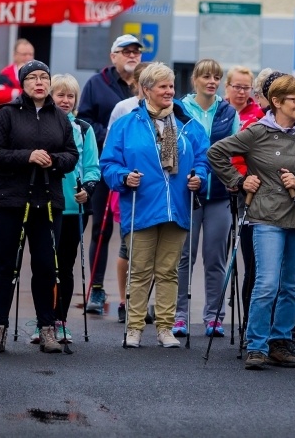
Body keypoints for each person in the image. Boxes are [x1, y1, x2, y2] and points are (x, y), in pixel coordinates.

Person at [208, 74, 295, 370]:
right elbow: (217, 153)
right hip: (266, 216)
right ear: (276, 102)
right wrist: (239, 181)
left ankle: (280, 342)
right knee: (267, 283)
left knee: (292, 285)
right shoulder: (257, 132)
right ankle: (256, 344)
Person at [101, 62, 208, 349]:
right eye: (162, 86)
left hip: (177, 207)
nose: (169, 91)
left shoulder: (189, 125)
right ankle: (134, 328)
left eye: (171, 86)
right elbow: (108, 164)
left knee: (168, 271)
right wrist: (124, 177)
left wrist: (200, 177)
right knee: (139, 271)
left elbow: (203, 159)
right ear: (146, 90)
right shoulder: (126, 124)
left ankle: (165, 328)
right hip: (141, 206)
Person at [0, 60, 78, 354]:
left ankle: (47, 329)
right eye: (32, 78)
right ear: (22, 84)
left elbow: (71, 155)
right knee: (7, 266)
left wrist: (53, 160)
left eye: (44, 77)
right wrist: (28, 156)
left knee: (45, 267)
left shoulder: (61, 118)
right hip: (12, 201)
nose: (39, 82)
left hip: (48, 202)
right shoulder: (8, 114)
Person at [32, 73, 100, 344]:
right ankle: (42, 322)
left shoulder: (84, 128)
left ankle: (59, 321)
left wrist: (88, 190)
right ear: (50, 96)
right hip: (43, 205)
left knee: (66, 266)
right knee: (44, 265)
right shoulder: (39, 125)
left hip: (74, 209)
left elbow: (94, 168)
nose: (65, 100)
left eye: (70, 95)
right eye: (60, 94)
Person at [175, 59, 239, 337]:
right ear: (195, 80)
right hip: (186, 194)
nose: (211, 81)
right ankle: (179, 316)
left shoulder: (228, 111)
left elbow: (237, 151)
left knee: (215, 258)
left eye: (216, 77)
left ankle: (214, 316)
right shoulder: (178, 108)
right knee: (183, 257)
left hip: (219, 194)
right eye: (206, 77)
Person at [79, 34, 142, 316]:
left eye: (136, 52)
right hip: (107, 164)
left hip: (139, 168)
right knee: (101, 230)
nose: (131, 56)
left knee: (136, 232)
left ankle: (133, 296)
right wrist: (113, 138)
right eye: (125, 51)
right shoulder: (96, 84)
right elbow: (86, 120)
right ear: (113, 56)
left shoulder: (146, 80)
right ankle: (96, 289)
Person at [104, 61, 150, 323]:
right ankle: (124, 299)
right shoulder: (124, 108)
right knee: (127, 247)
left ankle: (142, 301)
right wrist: (122, 176)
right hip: (128, 186)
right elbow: (112, 148)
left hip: (152, 190)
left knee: (151, 251)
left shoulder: (168, 110)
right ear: (137, 84)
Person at [0, 38, 34, 106]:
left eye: (30, 54)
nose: (28, 58)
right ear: (15, 55)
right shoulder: (6, 73)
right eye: (24, 54)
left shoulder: (39, 72)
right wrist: (23, 93)